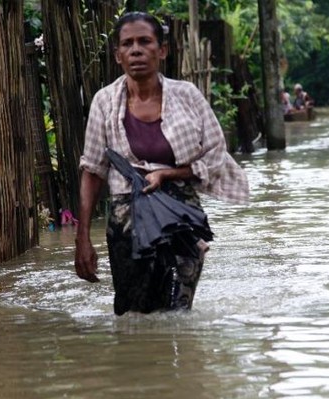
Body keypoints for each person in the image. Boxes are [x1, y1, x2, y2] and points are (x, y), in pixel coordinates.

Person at [74, 12, 249, 315]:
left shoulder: (187, 96)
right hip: (126, 218)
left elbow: (217, 153)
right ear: (118, 55)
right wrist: (82, 238)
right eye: (127, 44)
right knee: (132, 313)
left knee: (177, 312)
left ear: (162, 50)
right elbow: (93, 170)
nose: (136, 50)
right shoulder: (104, 101)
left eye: (145, 41)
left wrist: (167, 174)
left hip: (180, 217)